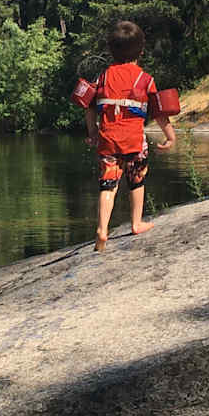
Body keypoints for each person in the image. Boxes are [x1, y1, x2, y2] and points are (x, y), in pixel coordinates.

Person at [85, 21, 176, 251]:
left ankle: (102, 230)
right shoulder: (145, 79)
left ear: (110, 50)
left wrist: (93, 131)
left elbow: (88, 105)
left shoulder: (103, 77)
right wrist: (170, 136)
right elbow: (159, 111)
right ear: (141, 51)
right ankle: (136, 223)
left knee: (108, 186)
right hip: (134, 141)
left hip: (108, 140)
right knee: (137, 181)